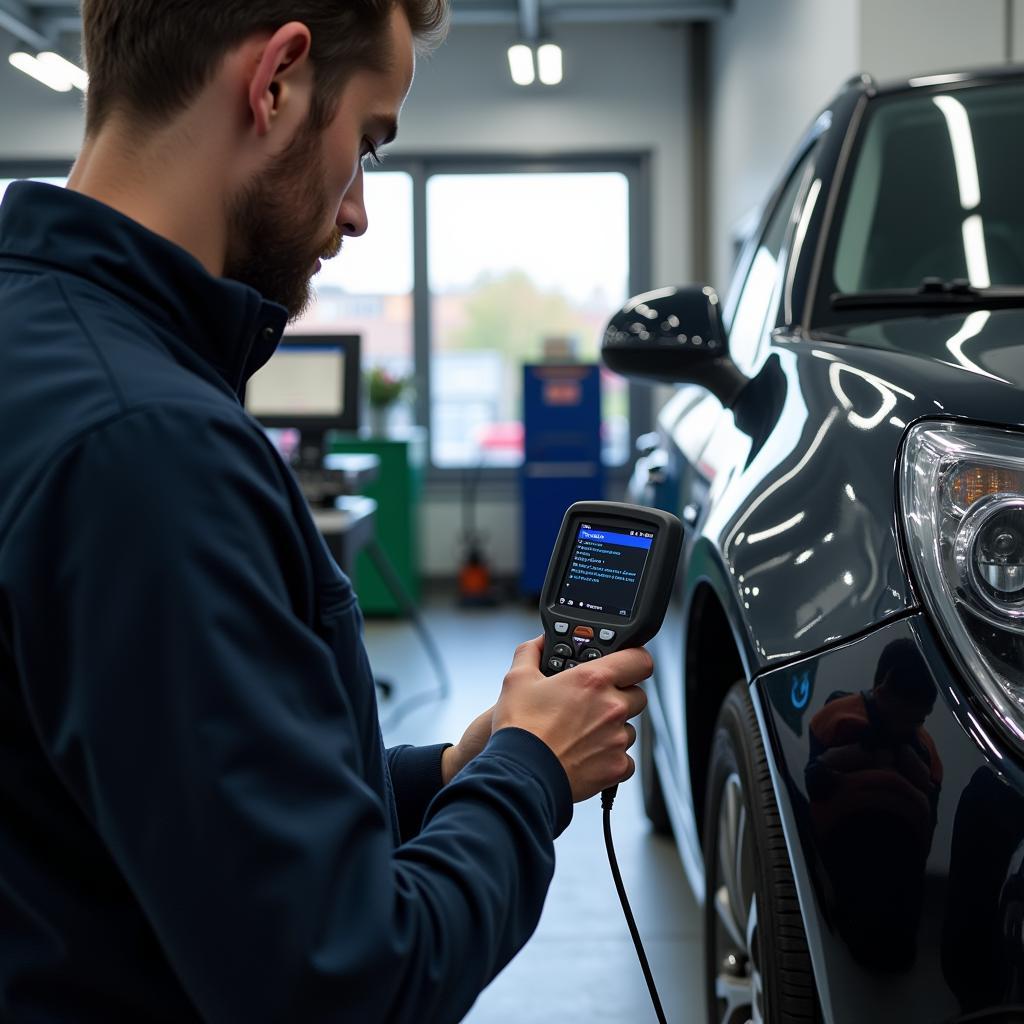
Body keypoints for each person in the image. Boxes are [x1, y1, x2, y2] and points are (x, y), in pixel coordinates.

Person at [0, 2, 652, 1021]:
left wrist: (452, 770)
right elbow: (346, 981)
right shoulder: (149, 451)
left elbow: (176, 815)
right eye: (367, 146)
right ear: (276, 82)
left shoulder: (42, 351)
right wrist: (530, 772)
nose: (356, 213)